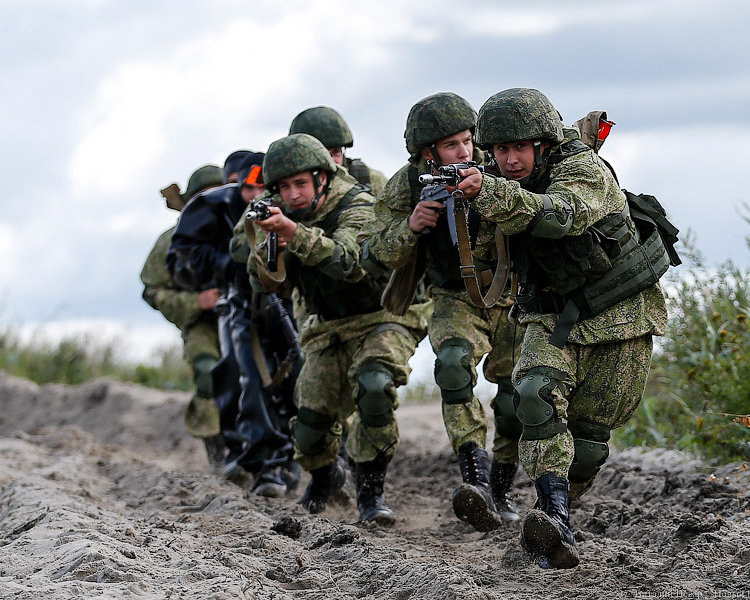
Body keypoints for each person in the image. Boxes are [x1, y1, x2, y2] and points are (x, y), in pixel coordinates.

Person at [454, 88, 672, 569]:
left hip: (621, 315)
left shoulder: (582, 169)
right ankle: (551, 513)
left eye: (520, 149)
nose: (510, 161)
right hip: (550, 316)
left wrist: (488, 194)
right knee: (532, 393)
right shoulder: (487, 179)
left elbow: (562, 215)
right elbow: (490, 258)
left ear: (545, 144)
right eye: (500, 150)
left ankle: (558, 517)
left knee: (590, 442)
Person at [358, 92, 524, 532]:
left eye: (468, 140)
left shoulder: (497, 162)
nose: (464, 152)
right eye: (451, 146)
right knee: (451, 367)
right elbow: (373, 252)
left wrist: (489, 190)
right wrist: (410, 227)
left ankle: (503, 486)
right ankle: (475, 478)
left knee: (513, 399)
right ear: (426, 153)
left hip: (513, 296)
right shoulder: (406, 184)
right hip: (453, 296)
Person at [244, 133, 429, 524]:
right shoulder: (275, 215)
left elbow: (351, 262)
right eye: (285, 187)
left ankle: (371, 492)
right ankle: (327, 476)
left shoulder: (356, 202)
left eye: (301, 184)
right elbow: (262, 283)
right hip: (328, 326)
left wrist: (293, 234)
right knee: (310, 428)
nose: (293, 195)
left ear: (322, 178)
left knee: (375, 387)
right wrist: (269, 247)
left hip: (385, 315)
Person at [168, 153, 300, 497]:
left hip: (281, 299)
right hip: (237, 301)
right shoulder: (208, 208)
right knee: (242, 374)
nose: (255, 195)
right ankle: (260, 461)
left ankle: (304, 457)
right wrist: (231, 264)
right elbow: (182, 257)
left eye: (262, 187)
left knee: (297, 372)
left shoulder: (292, 198)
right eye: (248, 187)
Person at [140, 164, 224, 471]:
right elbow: (151, 290)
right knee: (207, 372)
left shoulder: (248, 227)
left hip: (251, 319)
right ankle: (218, 457)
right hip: (202, 323)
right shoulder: (172, 240)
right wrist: (195, 302)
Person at [289, 106, 388, 196]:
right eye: (323, 155)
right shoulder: (287, 188)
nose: (331, 161)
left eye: (336, 152)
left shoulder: (371, 180)